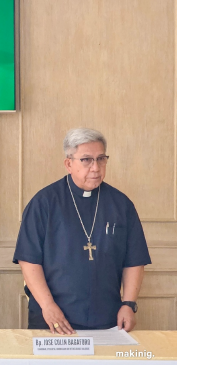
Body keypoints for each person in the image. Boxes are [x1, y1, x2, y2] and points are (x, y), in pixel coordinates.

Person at [13, 128, 151, 334]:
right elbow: (29, 261)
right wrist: (48, 306)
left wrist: (129, 304)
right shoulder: (43, 203)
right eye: (86, 160)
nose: (96, 167)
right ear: (68, 164)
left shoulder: (121, 205)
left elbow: (134, 260)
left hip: (108, 317)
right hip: (53, 317)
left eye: (101, 159)